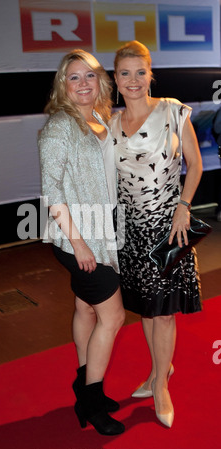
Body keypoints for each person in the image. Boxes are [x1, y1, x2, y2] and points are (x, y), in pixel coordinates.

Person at [110, 41, 203, 428]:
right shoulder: (110, 124)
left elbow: (195, 165)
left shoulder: (173, 110)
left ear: (151, 74)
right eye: (124, 73)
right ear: (115, 79)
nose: (133, 80)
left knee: (164, 314)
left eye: (140, 71)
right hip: (131, 230)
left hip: (168, 227)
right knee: (148, 309)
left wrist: (183, 207)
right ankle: (155, 372)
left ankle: (161, 385)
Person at [38, 49, 126, 435]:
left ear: (100, 80)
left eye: (89, 75)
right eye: (74, 77)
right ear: (63, 85)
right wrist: (80, 244)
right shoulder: (60, 126)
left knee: (86, 309)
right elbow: (51, 191)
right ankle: (91, 402)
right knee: (114, 316)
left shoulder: (102, 119)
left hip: (104, 232)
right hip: (78, 237)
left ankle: (84, 383)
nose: (83, 83)